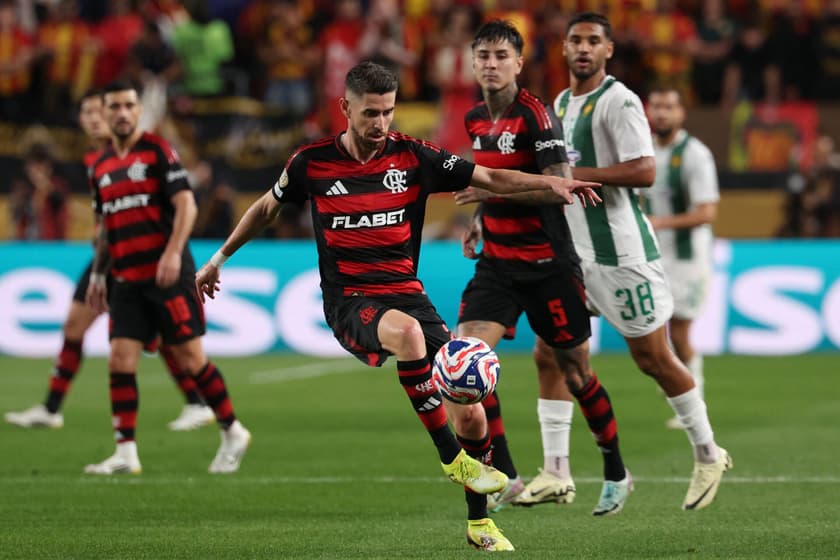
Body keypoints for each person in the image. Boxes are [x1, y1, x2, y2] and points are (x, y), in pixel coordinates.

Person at [194, 61, 599, 551]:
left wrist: (554, 185)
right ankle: (452, 460)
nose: (380, 123)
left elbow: (491, 178)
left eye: (388, 111)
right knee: (408, 337)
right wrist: (218, 258)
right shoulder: (311, 163)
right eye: (370, 113)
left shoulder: (414, 156)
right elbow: (266, 208)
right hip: (351, 299)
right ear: (345, 107)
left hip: (407, 292)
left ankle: (480, 523)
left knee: (471, 411)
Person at [457, 12, 731, 512]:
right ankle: (556, 470)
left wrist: (564, 174)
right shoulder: (561, 103)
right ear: (562, 49)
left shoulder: (619, 100)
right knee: (550, 356)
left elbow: (646, 170)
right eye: (575, 41)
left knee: (653, 359)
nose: (583, 49)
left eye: (594, 42)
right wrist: (489, 211)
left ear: (608, 51)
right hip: (573, 252)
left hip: (621, 253)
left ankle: (708, 451)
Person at [447, 20, 632, 522]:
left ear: (518, 63)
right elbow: (489, 180)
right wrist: (479, 220)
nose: (491, 63)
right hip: (497, 266)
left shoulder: (536, 116)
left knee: (576, 372)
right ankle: (506, 475)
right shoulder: (473, 120)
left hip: (549, 264)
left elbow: (559, 186)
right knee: (467, 369)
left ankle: (616, 471)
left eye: (500, 55)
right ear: (472, 61)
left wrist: (489, 193)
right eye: (482, 54)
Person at [5, 88, 215, 433]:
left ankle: (196, 402)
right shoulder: (95, 158)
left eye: (97, 112)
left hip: (142, 253)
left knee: (162, 334)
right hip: (110, 253)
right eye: (86, 114)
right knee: (76, 325)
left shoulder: (140, 151)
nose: (92, 119)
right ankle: (51, 408)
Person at [84, 80, 251, 475]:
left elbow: (186, 205)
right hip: (125, 279)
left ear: (139, 110)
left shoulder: (157, 151)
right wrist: (97, 274)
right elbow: (106, 227)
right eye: (115, 107)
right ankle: (125, 452)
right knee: (120, 360)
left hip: (167, 275)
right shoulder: (101, 168)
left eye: (129, 105)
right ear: (105, 114)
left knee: (191, 359)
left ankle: (232, 429)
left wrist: (174, 254)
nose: (123, 113)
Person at [644, 86, 720, 429]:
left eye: (668, 107)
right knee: (656, 330)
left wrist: (660, 222)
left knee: (681, 331)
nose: (661, 113)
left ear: (681, 114)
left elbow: (707, 212)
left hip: (688, 257)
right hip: (653, 256)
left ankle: (694, 396)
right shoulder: (642, 152)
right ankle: (681, 385)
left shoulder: (694, 154)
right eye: (656, 106)